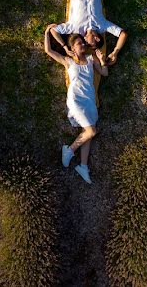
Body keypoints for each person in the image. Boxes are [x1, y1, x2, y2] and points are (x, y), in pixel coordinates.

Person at [44, 28, 108, 184]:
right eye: (79, 43)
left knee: (87, 132)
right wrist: (47, 32)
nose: (82, 45)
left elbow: (105, 73)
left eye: (82, 42)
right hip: (76, 100)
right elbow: (49, 50)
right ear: (73, 48)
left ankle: (83, 166)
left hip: (90, 100)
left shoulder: (91, 59)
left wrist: (102, 60)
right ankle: (70, 150)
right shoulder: (69, 61)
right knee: (92, 131)